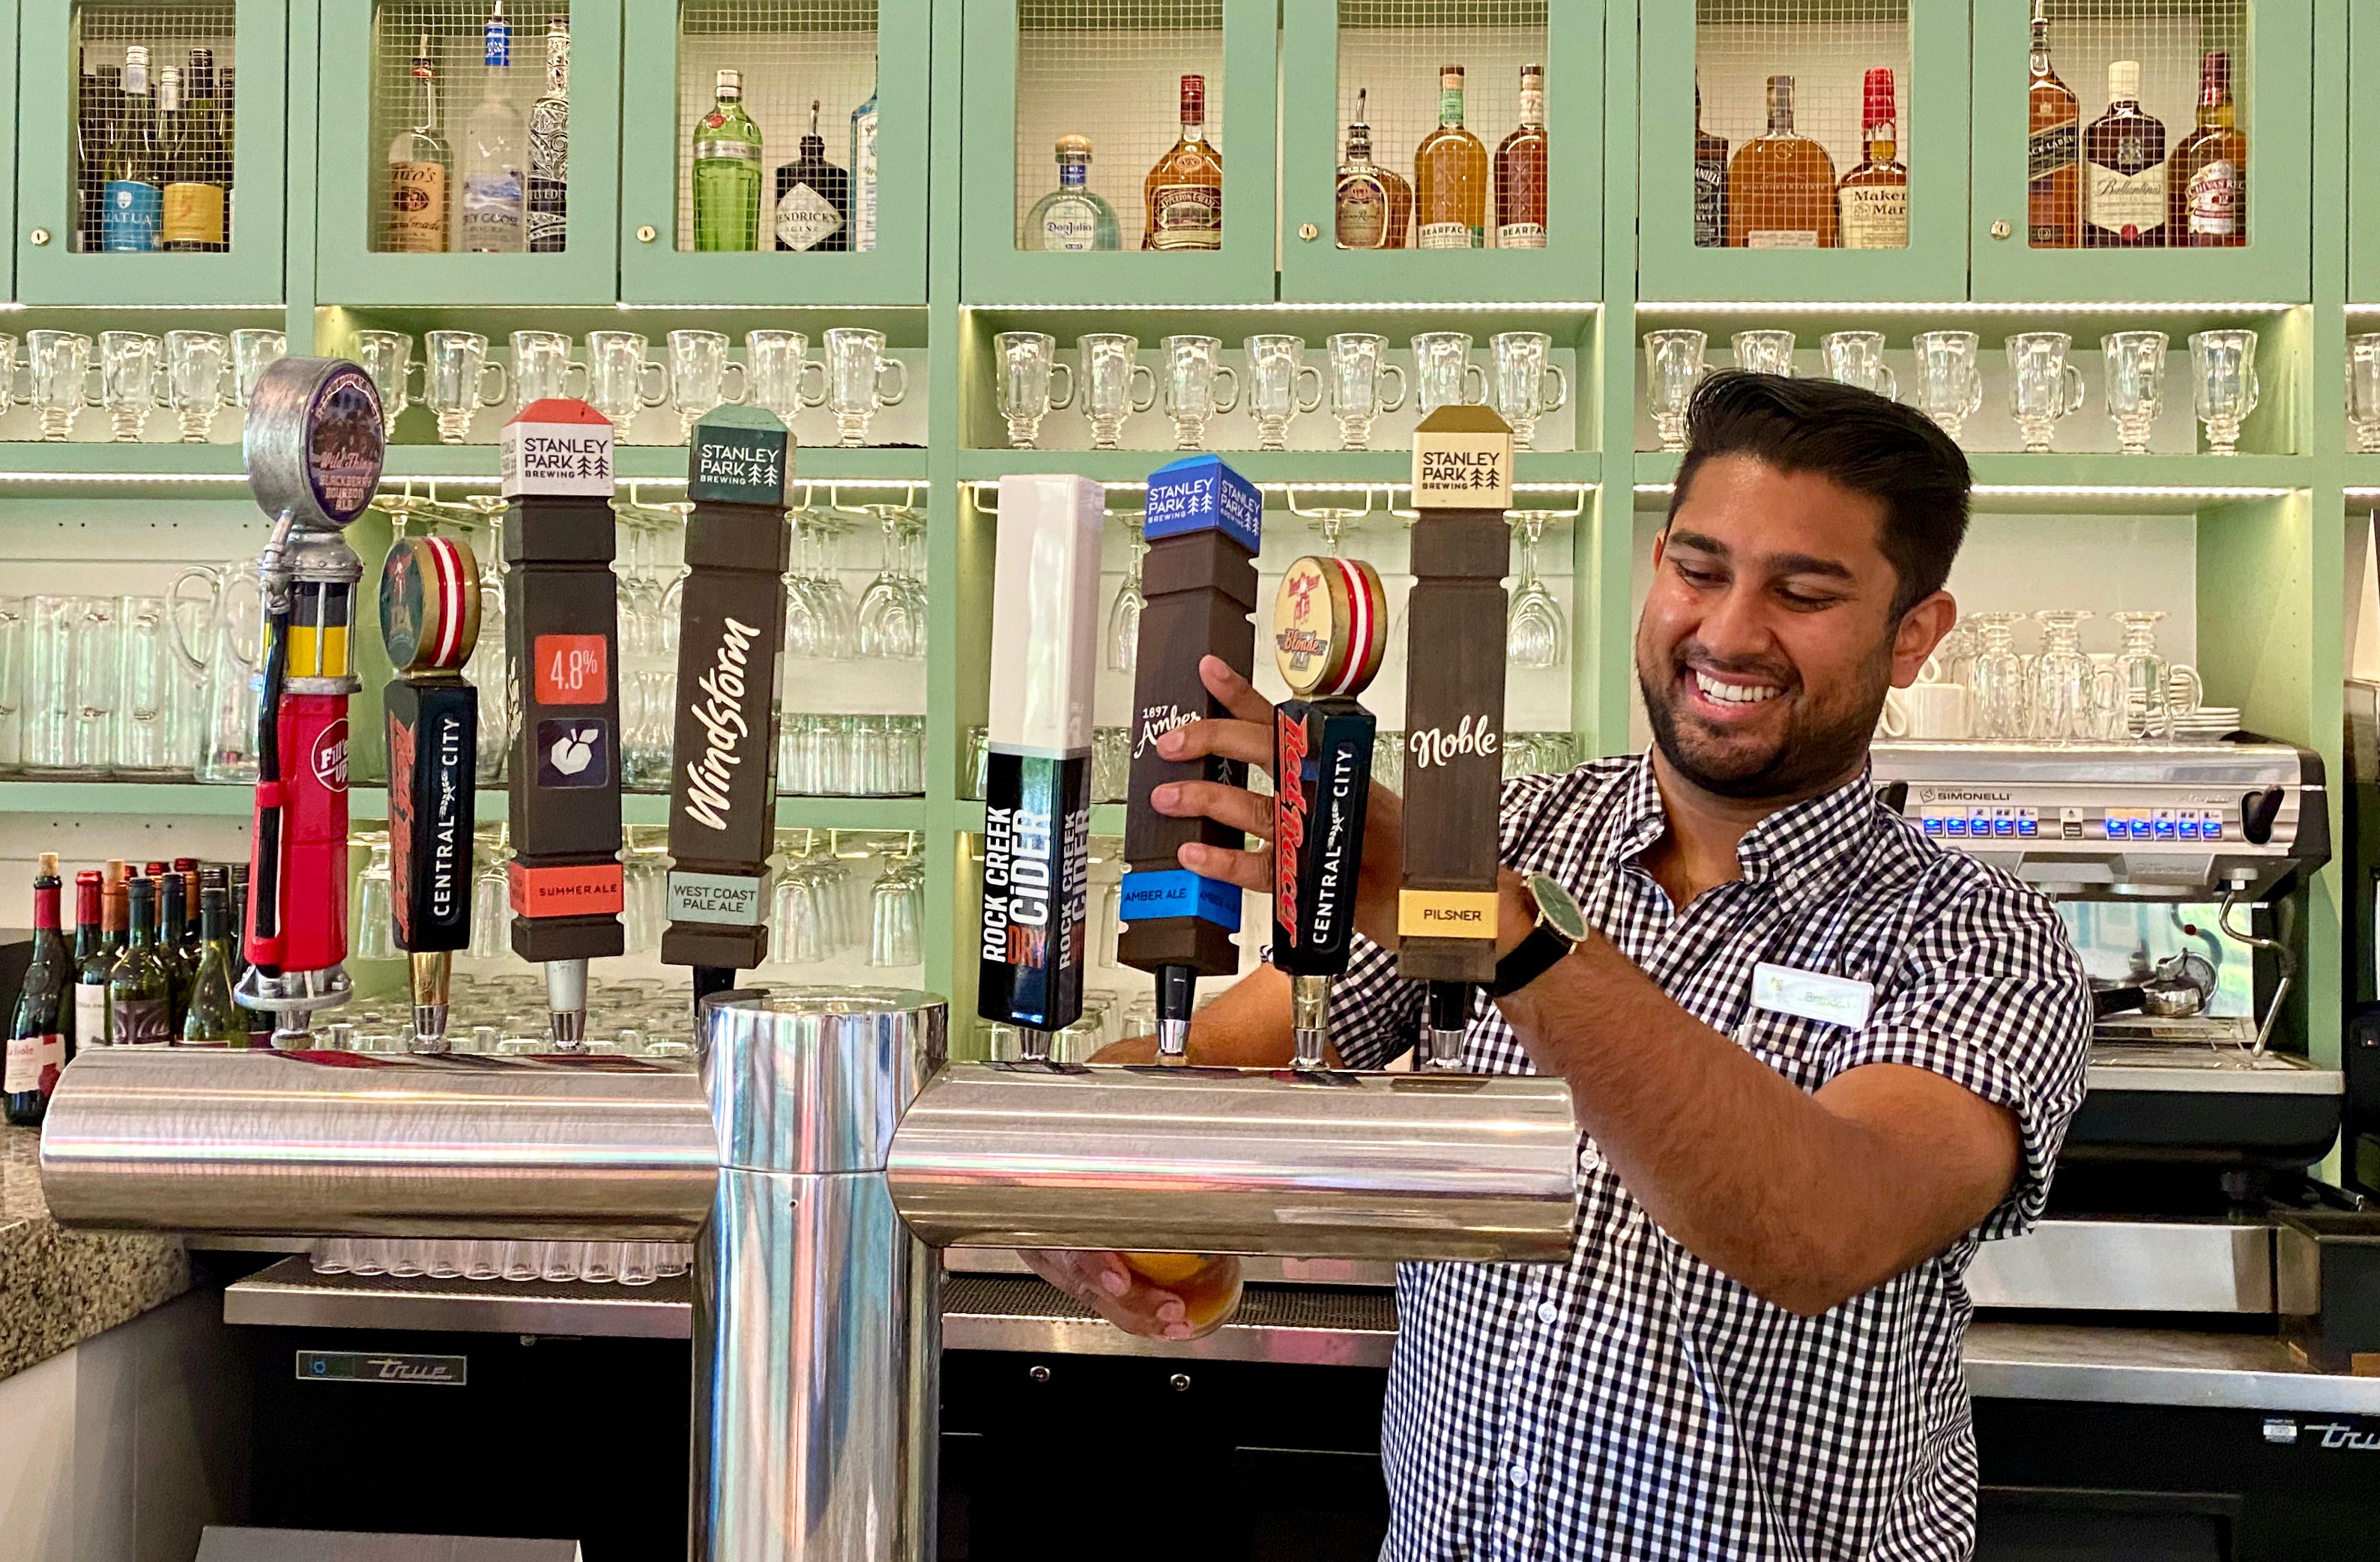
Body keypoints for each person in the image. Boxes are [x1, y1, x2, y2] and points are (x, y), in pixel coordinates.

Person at [1027, 372, 2093, 1559]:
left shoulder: (1978, 935)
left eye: (1802, 591)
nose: (1731, 631)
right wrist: (1086, 1198)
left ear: (1914, 637)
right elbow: (1205, 1071)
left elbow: (1819, 1228)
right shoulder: (1516, 833)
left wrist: (1490, 925)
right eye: (1699, 569)